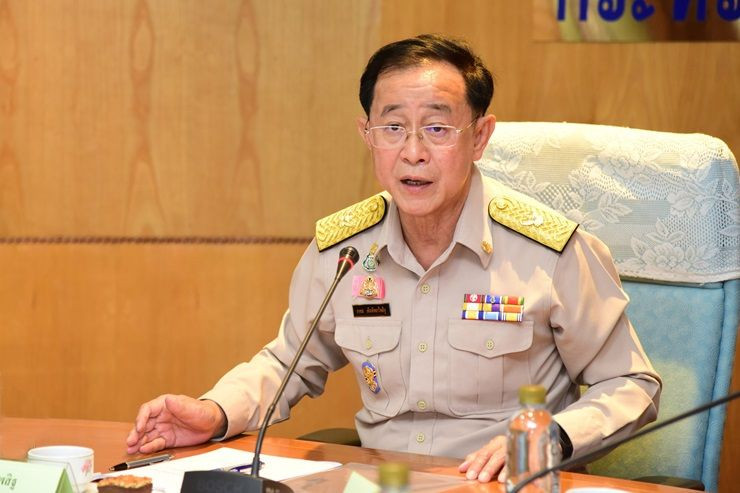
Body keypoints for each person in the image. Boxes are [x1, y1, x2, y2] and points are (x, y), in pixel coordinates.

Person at [126, 34, 661, 484]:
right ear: (367, 135)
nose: (413, 152)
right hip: (383, 482)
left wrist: (552, 437)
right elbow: (287, 362)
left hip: (502, 483)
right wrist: (215, 411)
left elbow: (632, 384)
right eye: (393, 127)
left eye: (437, 128)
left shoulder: (550, 252)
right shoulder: (343, 252)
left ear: (480, 137)